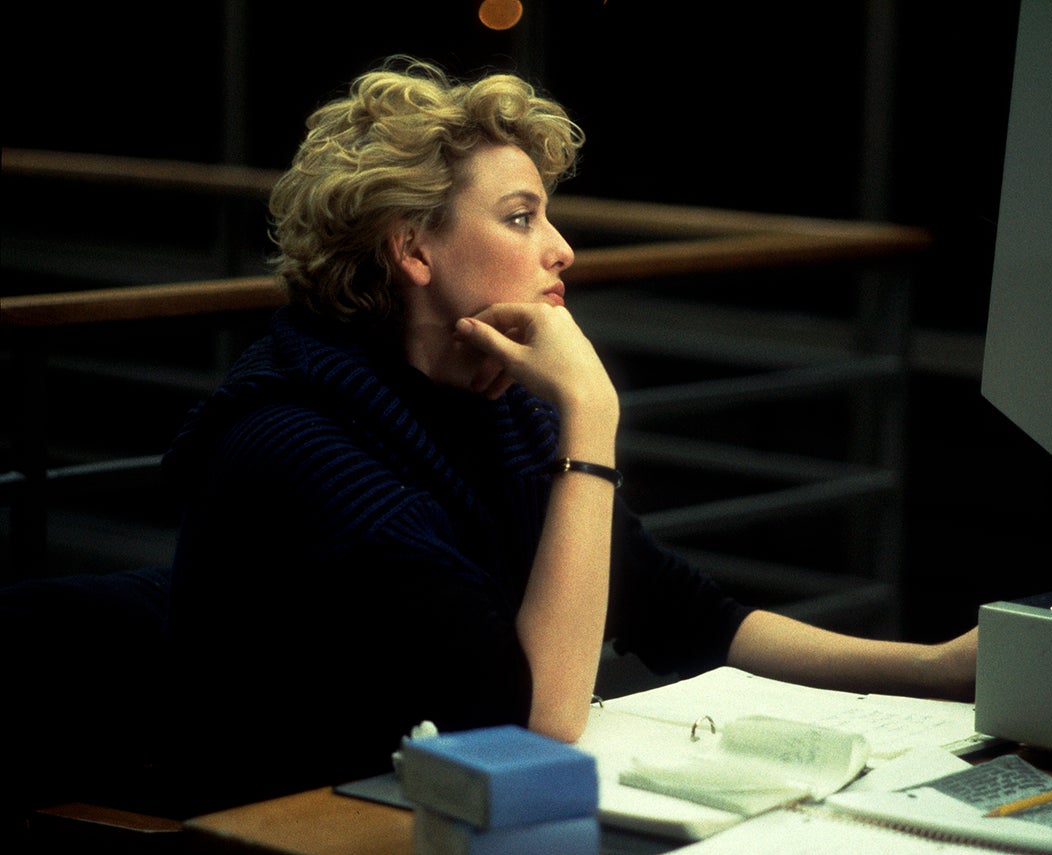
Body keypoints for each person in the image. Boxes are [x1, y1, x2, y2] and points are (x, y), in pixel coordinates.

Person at [160, 56, 977, 815]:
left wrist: (932, 668)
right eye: (521, 218)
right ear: (411, 248)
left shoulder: (492, 403)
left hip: (433, 815)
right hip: (295, 828)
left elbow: (682, 609)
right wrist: (590, 414)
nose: (562, 249)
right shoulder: (302, 446)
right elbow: (532, 721)